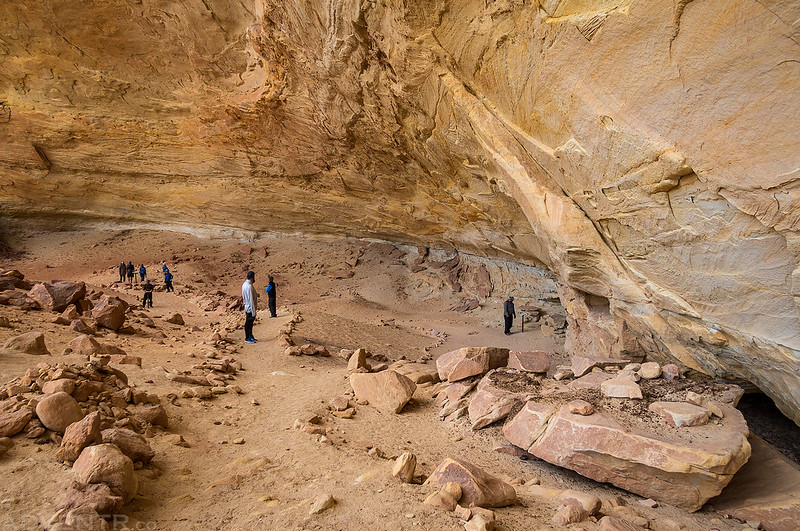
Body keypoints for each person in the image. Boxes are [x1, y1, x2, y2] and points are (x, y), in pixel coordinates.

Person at [242, 271, 258, 343]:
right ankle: (247, 337)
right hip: (250, 307)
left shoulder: (244, 285)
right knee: (248, 323)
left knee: (250, 323)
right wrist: (254, 312)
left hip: (247, 306)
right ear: (252, 277)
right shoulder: (249, 286)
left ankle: (250, 336)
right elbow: (251, 299)